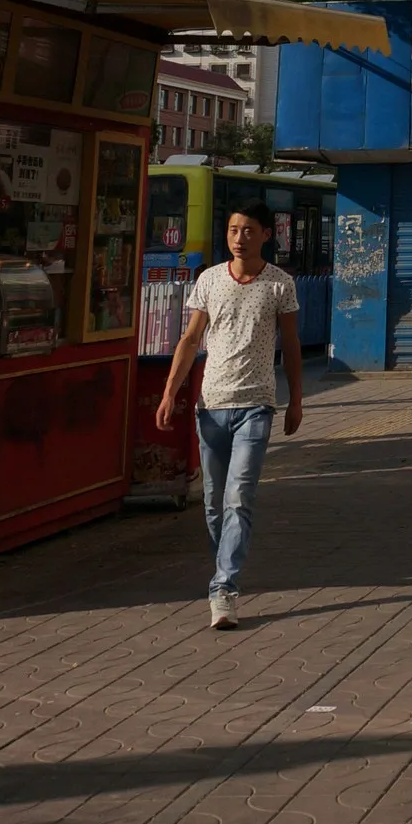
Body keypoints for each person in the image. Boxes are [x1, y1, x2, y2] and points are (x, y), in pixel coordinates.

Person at [157, 198, 302, 629]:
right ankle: (226, 566)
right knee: (214, 506)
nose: (240, 238)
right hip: (211, 406)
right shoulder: (208, 280)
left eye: (249, 231)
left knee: (239, 498)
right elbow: (189, 339)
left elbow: (291, 345)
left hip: (256, 405)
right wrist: (170, 393)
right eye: (234, 230)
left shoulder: (280, 284)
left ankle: (224, 588)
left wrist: (296, 399)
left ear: (265, 235)